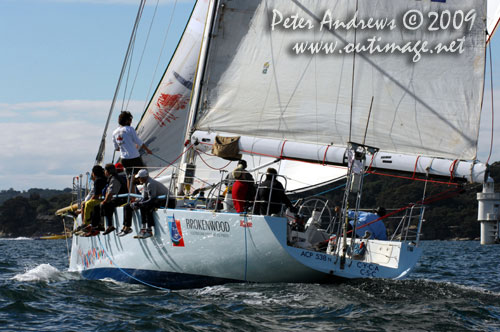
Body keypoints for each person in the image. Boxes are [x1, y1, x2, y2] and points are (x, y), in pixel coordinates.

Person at [126, 169, 175, 239]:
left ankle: (149, 230)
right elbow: (144, 198)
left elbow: (152, 199)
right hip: (161, 199)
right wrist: (137, 203)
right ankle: (143, 229)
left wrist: (140, 204)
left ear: (143, 178)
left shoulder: (150, 183)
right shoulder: (146, 183)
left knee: (147, 206)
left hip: (169, 201)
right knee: (143, 205)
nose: (138, 179)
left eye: (139, 177)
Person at [85, 163, 128, 236]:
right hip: (118, 198)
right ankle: (97, 225)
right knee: (97, 206)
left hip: (121, 199)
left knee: (105, 205)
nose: (104, 172)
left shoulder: (114, 179)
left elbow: (110, 192)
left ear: (108, 171)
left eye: (105, 170)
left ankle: (109, 225)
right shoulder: (112, 178)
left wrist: (105, 201)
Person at [113, 111, 152, 175]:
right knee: (142, 174)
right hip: (134, 158)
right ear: (127, 121)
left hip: (124, 159)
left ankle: (131, 185)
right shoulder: (130, 129)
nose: (131, 122)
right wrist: (147, 150)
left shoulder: (114, 132)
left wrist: (126, 146)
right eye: (130, 120)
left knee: (129, 177)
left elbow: (117, 148)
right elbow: (139, 142)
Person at [74, 165, 107, 235]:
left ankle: (86, 223)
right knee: (87, 204)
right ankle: (86, 224)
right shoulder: (105, 178)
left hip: (102, 199)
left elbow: (96, 195)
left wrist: (89, 200)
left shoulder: (98, 180)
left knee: (87, 204)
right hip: (103, 198)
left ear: (94, 173)